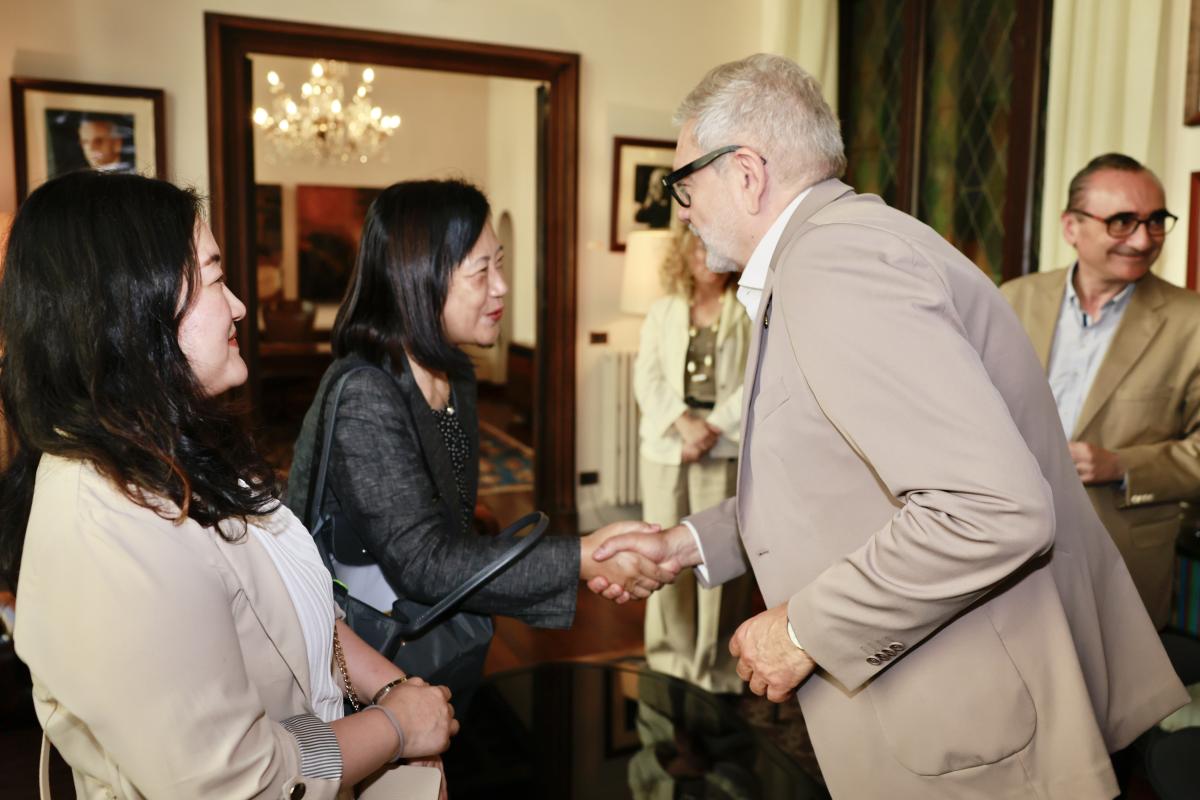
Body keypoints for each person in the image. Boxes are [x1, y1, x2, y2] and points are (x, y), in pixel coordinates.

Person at [589, 54, 1187, 798]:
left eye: (685, 183)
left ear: (745, 173)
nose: (681, 209)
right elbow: (840, 477)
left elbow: (991, 510)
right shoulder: (843, 245)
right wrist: (687, 543)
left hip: (970, 708)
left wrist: (801, 631)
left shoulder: (837, 266)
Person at [0, 171, 459, 799]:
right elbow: (240, 780)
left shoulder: (173, 447)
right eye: (215, 279)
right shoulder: (107, 526)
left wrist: (388, 688)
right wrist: (395, 728)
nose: (239, 304)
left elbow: (293, 607)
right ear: (132, 309)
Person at [285, 180, 670, 670]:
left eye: (500, 264)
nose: (501, 285)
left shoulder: (456, 375)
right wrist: (584, 556)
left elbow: (449, 529)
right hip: (362, 651)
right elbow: (423, 562)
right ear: (419, 277)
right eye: (481, 270)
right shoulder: (367, 393)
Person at [1001, 153, 1200, 629]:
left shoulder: (1192, 322)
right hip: (1004, 552)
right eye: (1122, 222)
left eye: (1156, 221)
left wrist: (1123, 466)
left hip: (1123, 565)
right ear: (1072, 227)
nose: (1143, 239)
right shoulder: (1013, 299)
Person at [634, 226, 754, 693]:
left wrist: (712, 427)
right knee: (663, 555)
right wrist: (684, 425)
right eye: (698, 247)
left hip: (722, 445)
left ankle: (717, 666)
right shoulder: (662, 311)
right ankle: (671, 659)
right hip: (669, 447)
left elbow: (754, 380)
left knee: (719, 557)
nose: (705, 256)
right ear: (683, 254)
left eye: (713, 247)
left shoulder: (747, 311)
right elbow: (647, 379)